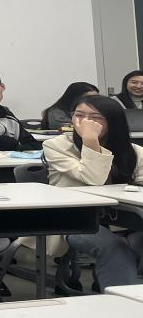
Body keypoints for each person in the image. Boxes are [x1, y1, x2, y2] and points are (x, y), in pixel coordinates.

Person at [44, 94, 143, 287]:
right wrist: (90, 141)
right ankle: (121, 299)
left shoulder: (133, 151)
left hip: (124, 218)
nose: (85, 122)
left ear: (113, 122)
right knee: (113, 247)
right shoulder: (57, 146)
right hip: (75, 220)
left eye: (95, 117)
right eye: (79, 115)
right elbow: (93, 178)